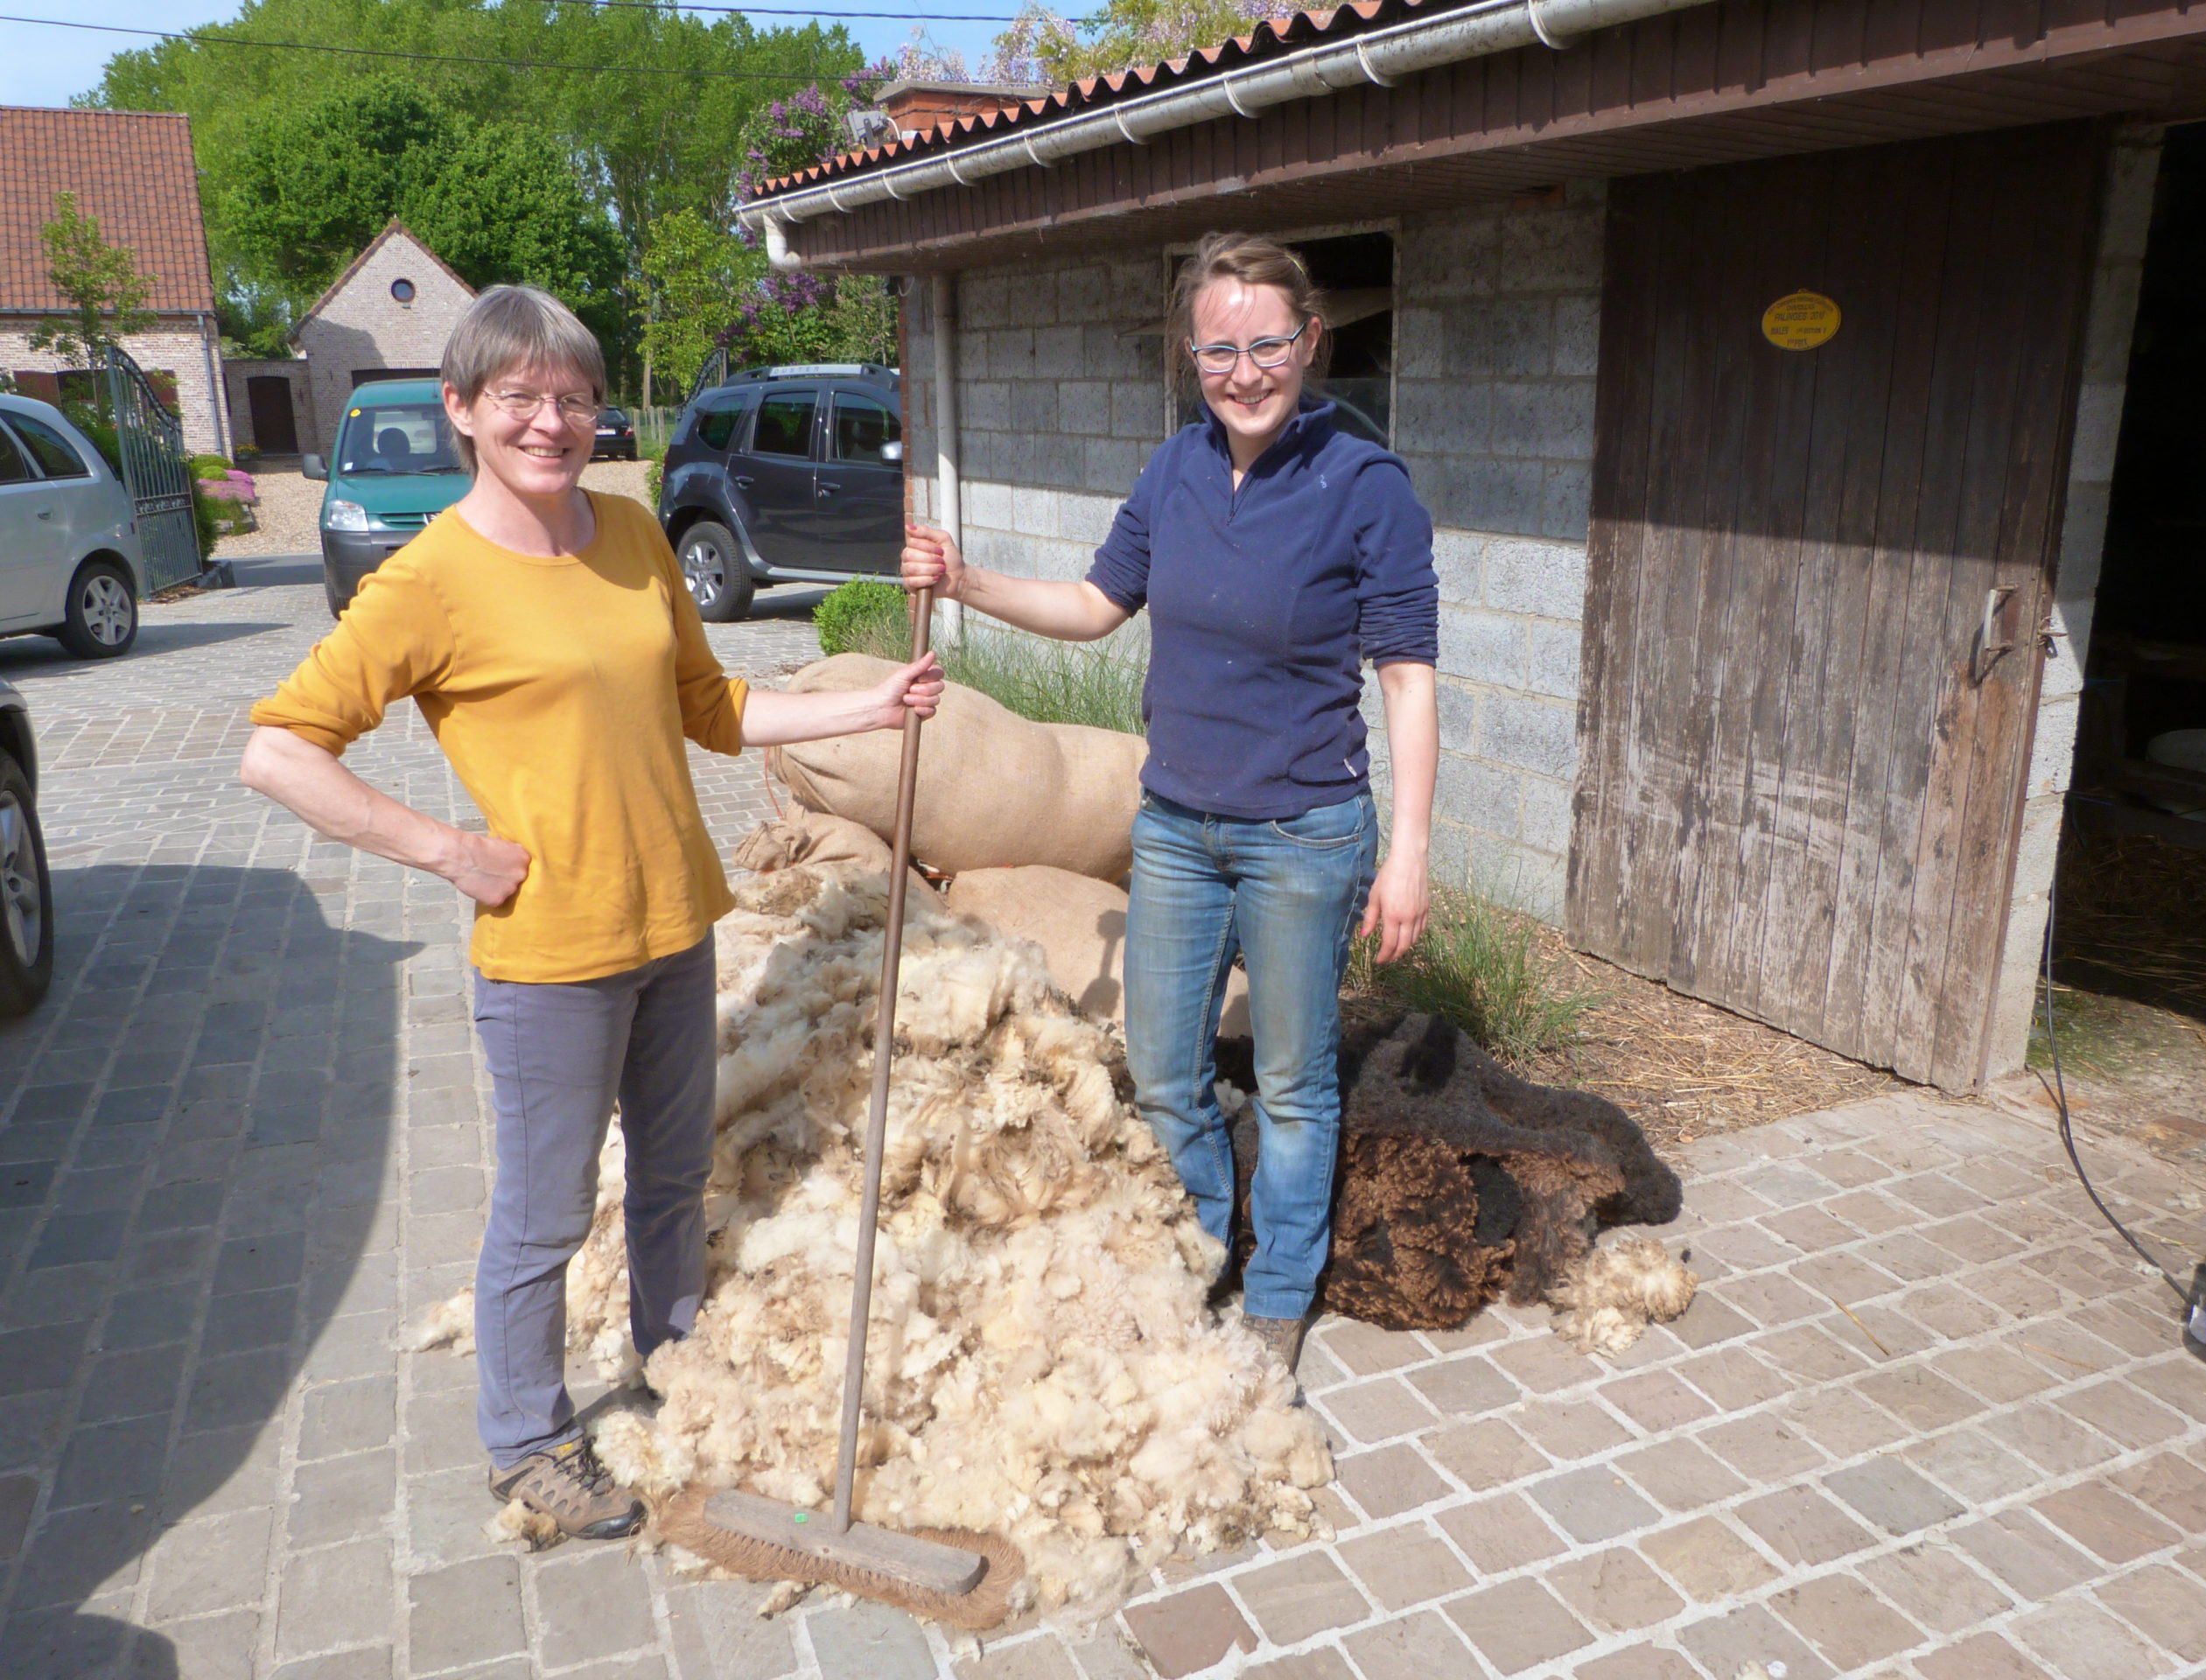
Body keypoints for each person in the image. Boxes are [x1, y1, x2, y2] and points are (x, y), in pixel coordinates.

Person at [241, 285, 942, 1539]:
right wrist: (446, 850)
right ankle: (525, 1444)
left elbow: (711, 707)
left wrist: (870, 705)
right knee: (546, 1216)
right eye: (518, 396)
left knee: (674, 1177)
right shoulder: (429, 579)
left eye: (573, 398)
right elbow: (280, 751)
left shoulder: (629, 532)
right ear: (461, 408)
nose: (550, 422)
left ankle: (676, 1370)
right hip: (551, 958)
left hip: (676, 923)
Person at [900, 232, 1438, 1376]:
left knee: (1292, 1084)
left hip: (1305, 834)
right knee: (1162, 1066)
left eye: (1267, 345)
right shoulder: (1174, 470)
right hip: (1178, 830)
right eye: (1218, 351)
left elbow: (1406, 677)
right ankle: (1196, 1250)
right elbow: (1097, 605)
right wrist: (967, 581)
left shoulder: (1366, 486)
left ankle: (1279, 1293)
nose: (1244, 372)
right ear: (1190, 356)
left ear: (1310, 340)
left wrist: (1409, 855)